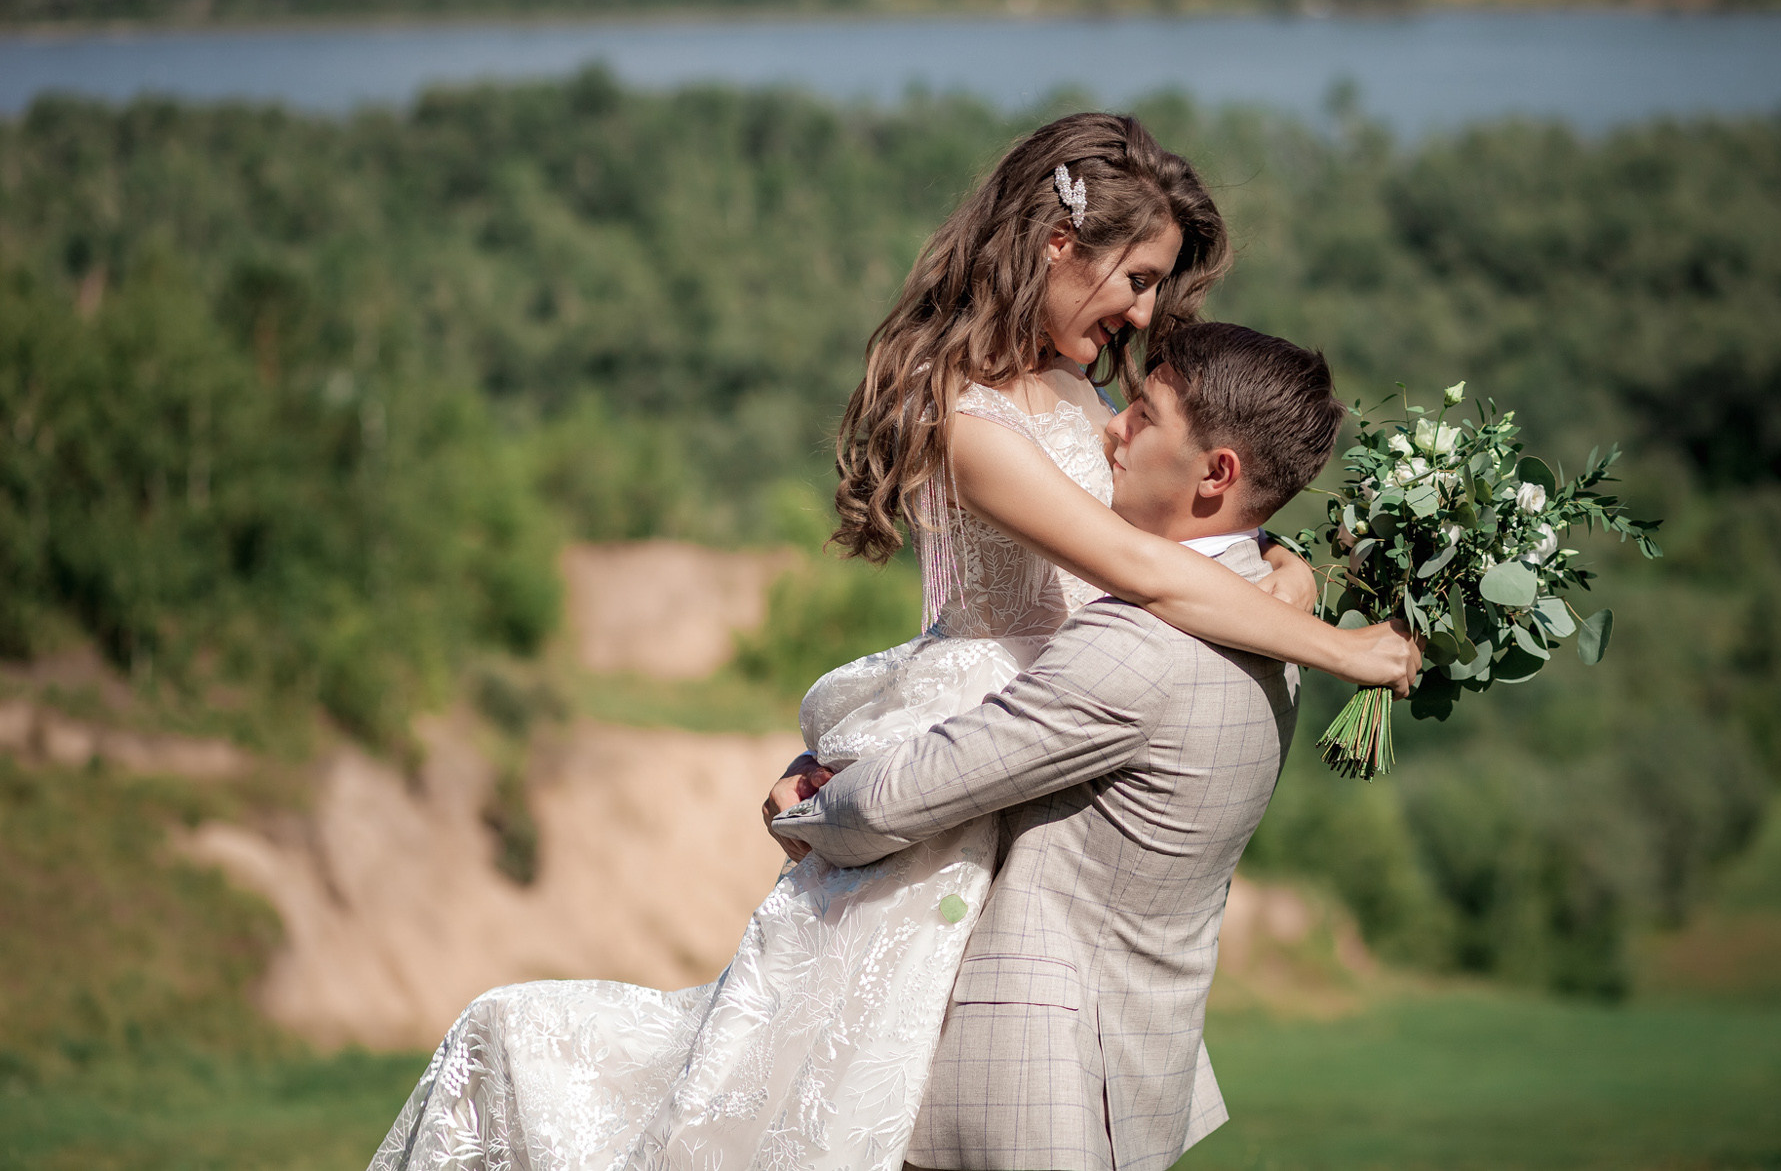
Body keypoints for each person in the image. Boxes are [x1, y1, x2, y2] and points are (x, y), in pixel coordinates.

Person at [369, 114, 1416, 1171]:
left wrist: (1285, 559)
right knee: (827, 1089)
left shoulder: (1088, 393)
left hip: (1062, 723)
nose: (1146, 312)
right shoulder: (967, 422)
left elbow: (1186, 524)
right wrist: (1335, 647)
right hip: (990, 721)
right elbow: (1139, 566)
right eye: (1137, 278)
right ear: (1060, 243)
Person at [770, 320, 1345, 1170]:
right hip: (1141, 1062)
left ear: (1218, 472)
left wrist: (803, 810)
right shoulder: (1275, 609)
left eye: (1143, 416)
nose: (1111, 428)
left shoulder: (1137, 648)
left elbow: (904, 798)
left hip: (1035, 1082)